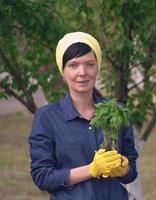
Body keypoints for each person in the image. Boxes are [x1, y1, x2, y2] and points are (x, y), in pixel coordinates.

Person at [28, 32, 138, 200]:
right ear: (63, 70)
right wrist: (92, 169)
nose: (82, 72)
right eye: (73, 65)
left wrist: (124, 169)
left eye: (90, 64)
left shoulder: (116, 112)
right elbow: (42, 177)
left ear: (97, 68)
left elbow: (131, 172)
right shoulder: (47, 117)